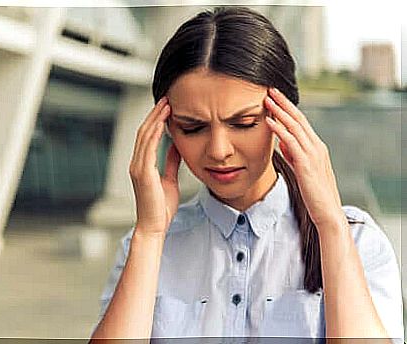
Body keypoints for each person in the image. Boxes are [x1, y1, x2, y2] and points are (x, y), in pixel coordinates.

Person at [89, 6, 404, 342]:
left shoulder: (357, 240)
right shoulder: (145, 246)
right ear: (166, 129)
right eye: (193, 127)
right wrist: (149, 236)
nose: (219, 150)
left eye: (243, 123)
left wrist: (329, 225)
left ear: (286, 119)